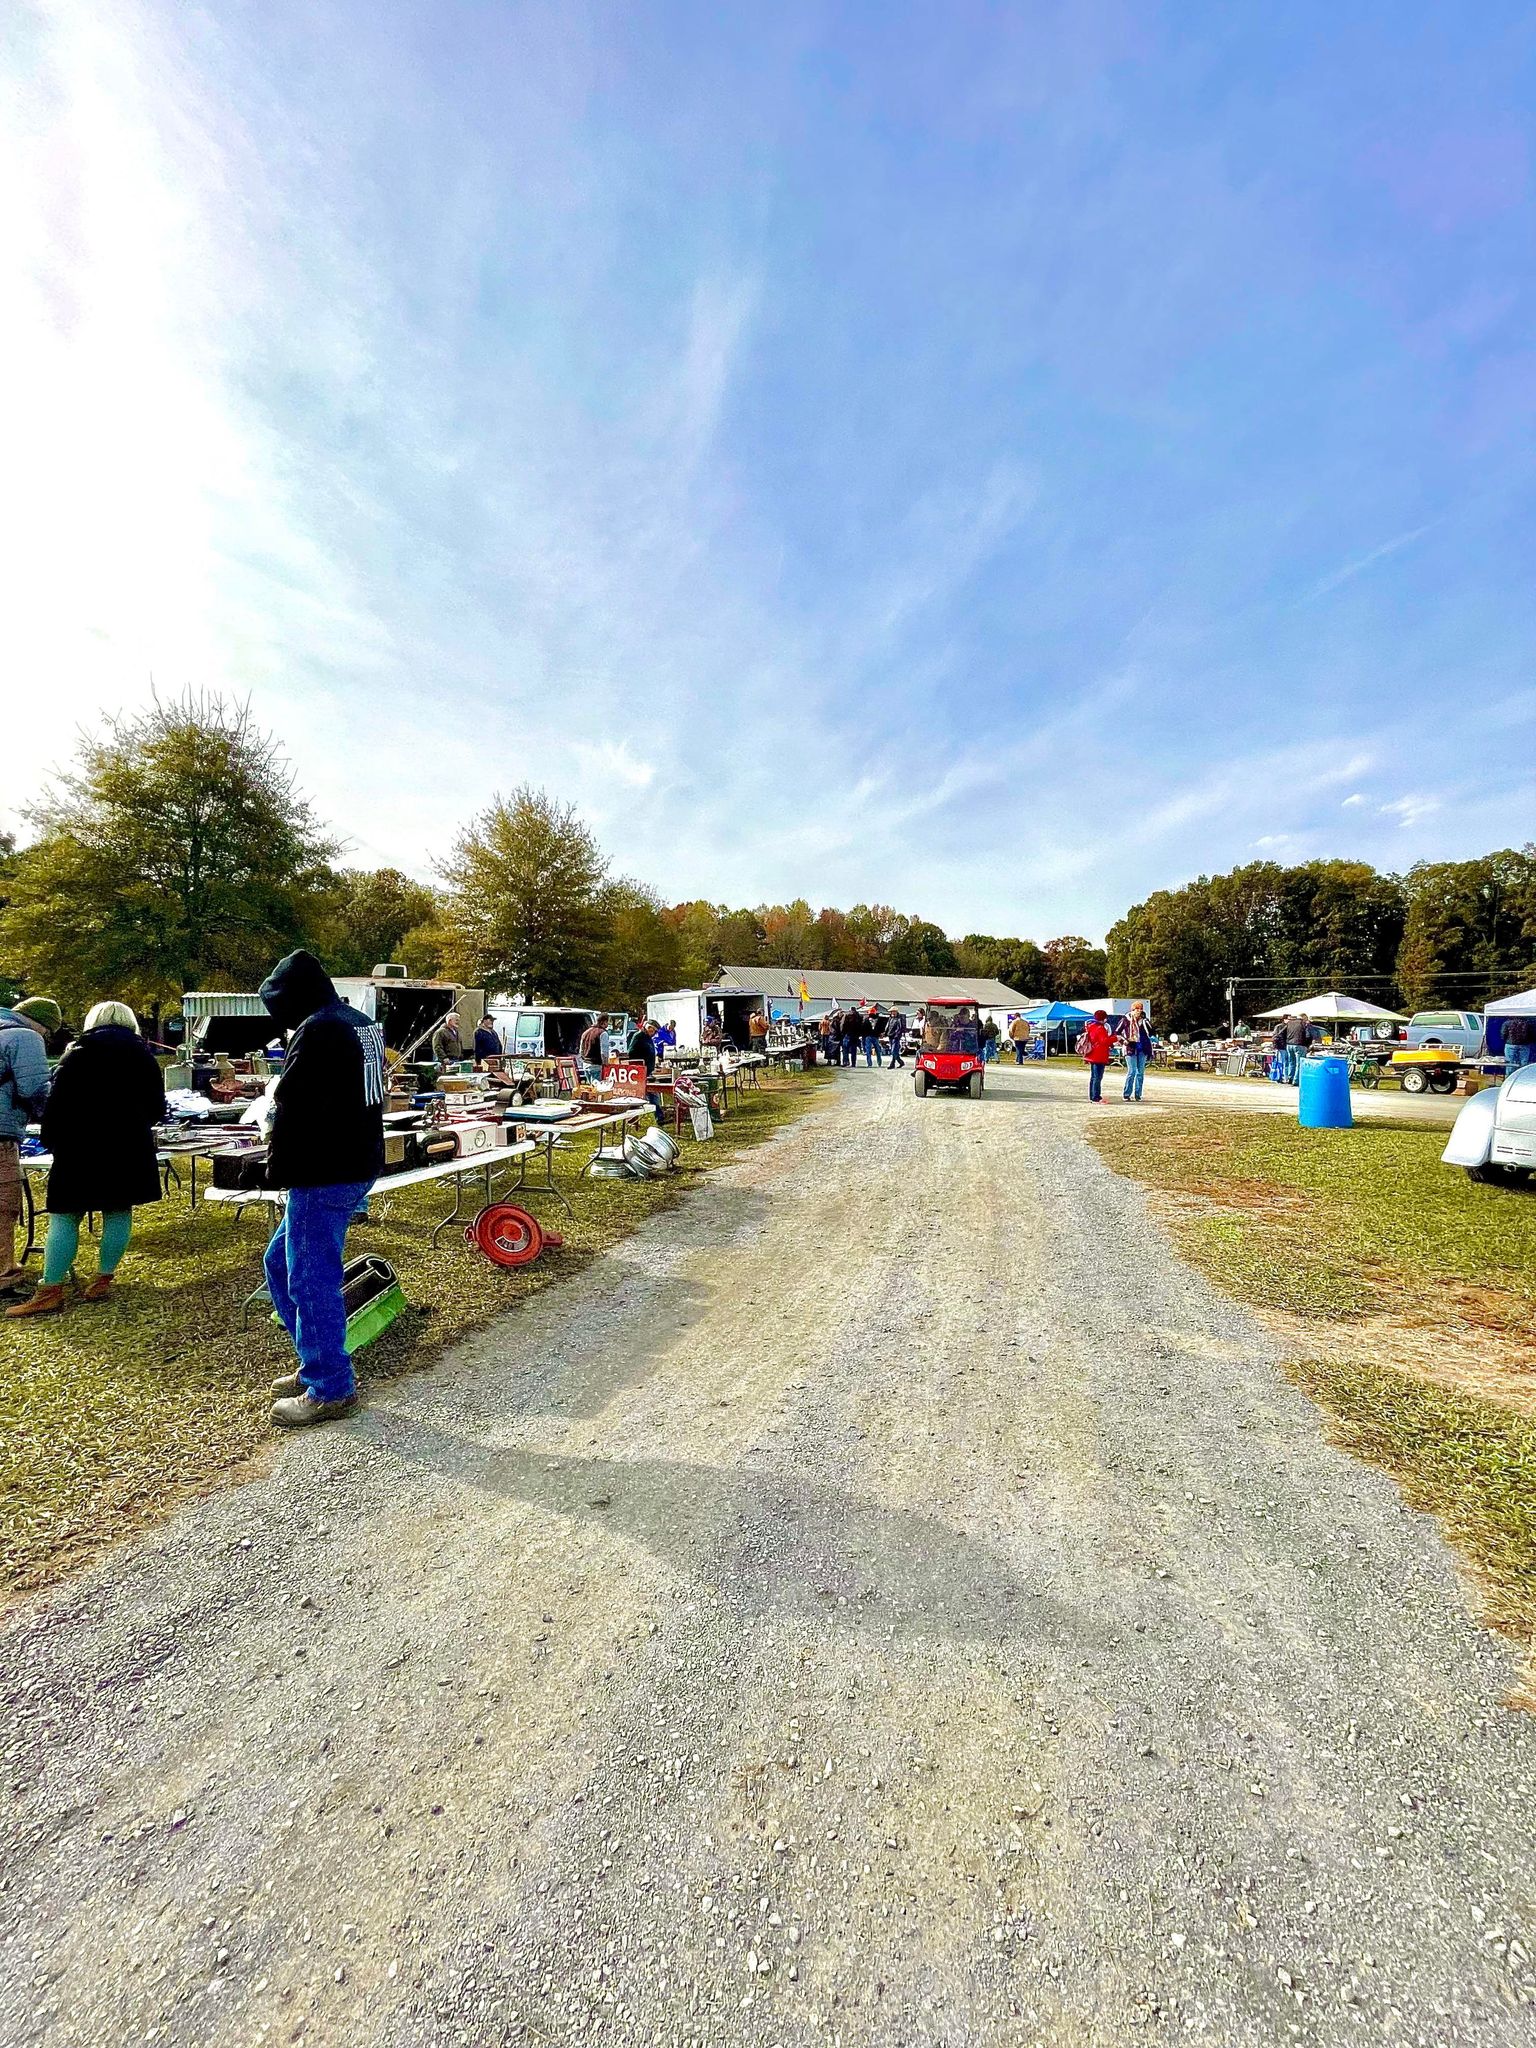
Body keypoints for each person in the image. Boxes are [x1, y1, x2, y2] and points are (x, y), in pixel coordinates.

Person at [258, 951, 386, 1429]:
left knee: (310, 1277)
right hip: (356, 1159)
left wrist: (276, 1164)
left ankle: (331, 1386)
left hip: (324, 1168)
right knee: (279, 1262)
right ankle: (317, 1360)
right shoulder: (358, 1021)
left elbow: (293, 1105)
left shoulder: (317, 1029)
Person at [6, 1001, 165, 1318]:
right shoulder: (145, 1056)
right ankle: (103, 1279)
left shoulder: (77, 1053)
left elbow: (57, 1105)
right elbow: (156, 1110)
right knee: (119, 1210)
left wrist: (51, 1139)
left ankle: (50, 1289)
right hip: (128, 1146)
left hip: (79, 1147)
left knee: (65, 1216)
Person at [0, 1000, 52, 1303]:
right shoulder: (25, 1036)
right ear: (40, 1024)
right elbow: (35, 1089)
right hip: (1, 1134)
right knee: (3, 1205)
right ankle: (5, 1277)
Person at [1119, 1002, 1153, 1102]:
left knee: (1140, 1072)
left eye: (1141, 1008)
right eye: (1136, 1009)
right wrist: (1123, 1041)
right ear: (1132, 1010)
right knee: (1132, 1071)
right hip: (1130, 1048)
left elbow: (1151, 1033)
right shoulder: (1125, 1020)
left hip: (1142, 1048)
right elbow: (1116, 1032)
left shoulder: (1144, 1021)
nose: (1139, 1010)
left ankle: (1138, 1094)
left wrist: (1147, 1021)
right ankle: (1127, 1094)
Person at [1081, 1008, 1114, 1103]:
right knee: (1098, 1077)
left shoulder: (1091, 1026)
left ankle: (1092, 1096)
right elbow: (1104, 1041)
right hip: (1099, 1055)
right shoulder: (1100, 1028)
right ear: (1103, 1019)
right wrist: (1115, 1038)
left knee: (1094, 1076)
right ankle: (1096, 1097)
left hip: (1092, 1053)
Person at [1270, 1018, 1289, 1083]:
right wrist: (1276, 1046)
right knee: (1281, 1062)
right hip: (1281, 1047)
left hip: (1286, 1046)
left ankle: (1284, 1077)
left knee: (1285, 1063)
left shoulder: (1289, 1027)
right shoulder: (1279, 1026)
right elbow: (1275, 1037)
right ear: (1284, 1019)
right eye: (1288, 1019)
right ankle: (1279, 1076)